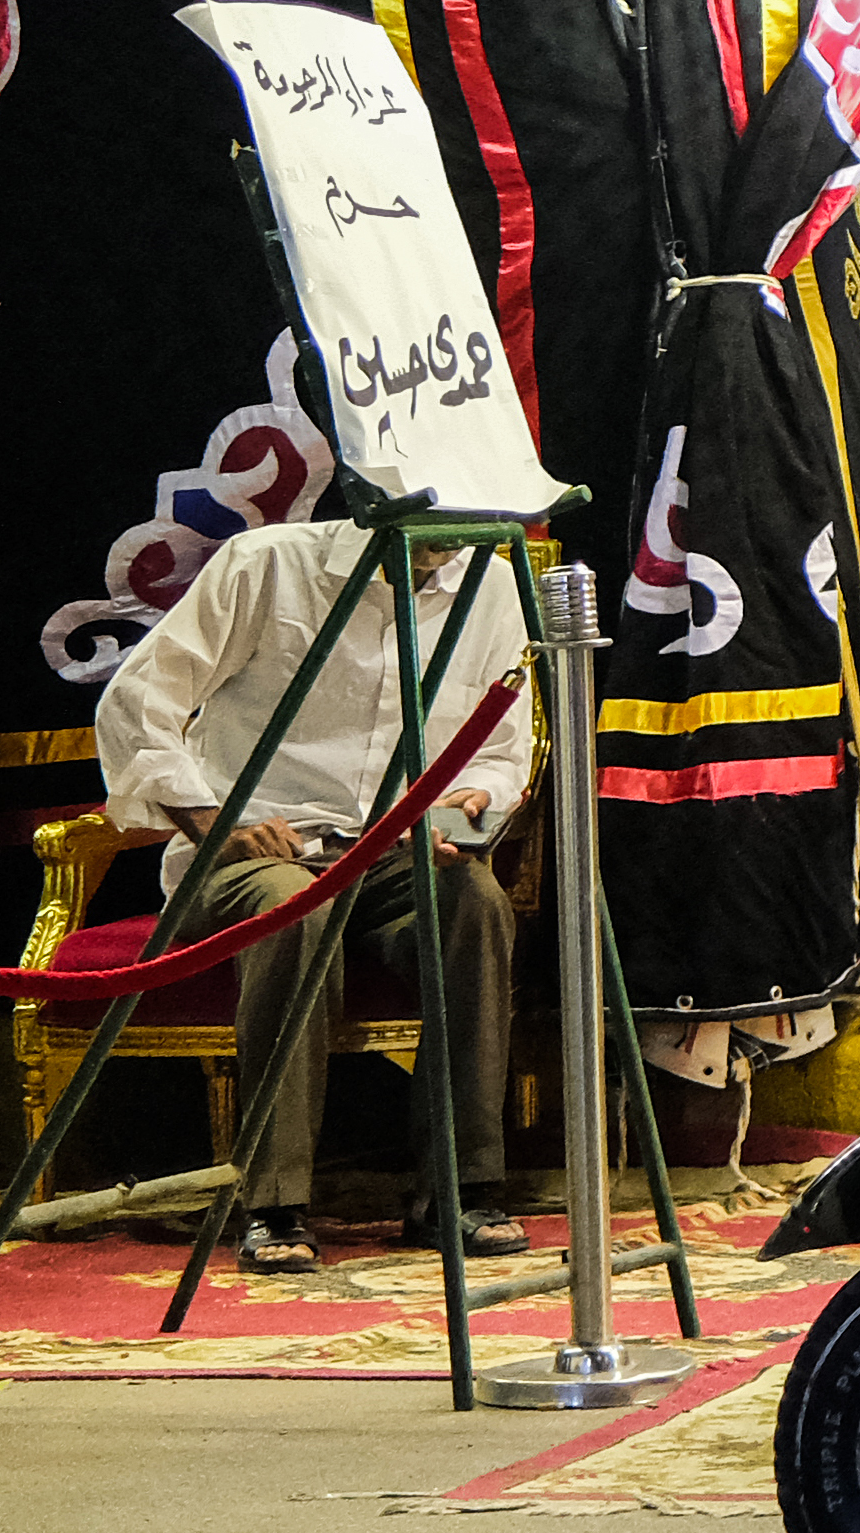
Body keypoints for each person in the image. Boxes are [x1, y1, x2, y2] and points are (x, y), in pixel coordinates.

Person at [90, 517, 533, 1275]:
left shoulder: (488, 585)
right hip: (257, 849)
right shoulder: (265, 565)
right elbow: (136, 704)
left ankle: (456, 1190)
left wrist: (461, 807)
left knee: (475, 904)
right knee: (294, 907)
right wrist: (213, 821)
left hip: (395, 847)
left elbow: (501, 750)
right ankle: (273, 1201)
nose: (444, 546)